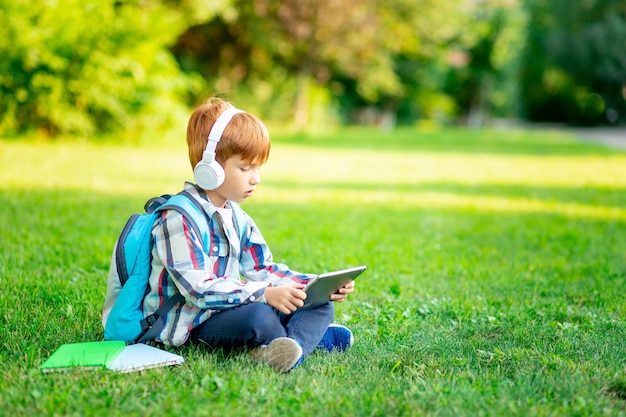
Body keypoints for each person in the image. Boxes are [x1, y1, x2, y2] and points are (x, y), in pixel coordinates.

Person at [142, 97, 355, 372]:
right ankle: (304, 343)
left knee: (319, 305)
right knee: (260, 317)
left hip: (229, 308)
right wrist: (264, 294)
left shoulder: (237, 217)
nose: (256, 179)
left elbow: (261, 268)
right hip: (192, 322)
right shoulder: (178, 218)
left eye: (258, 168)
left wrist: (313, 285)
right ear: (211, 169)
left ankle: (287, 349)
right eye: (245, 168)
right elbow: (197, 289)